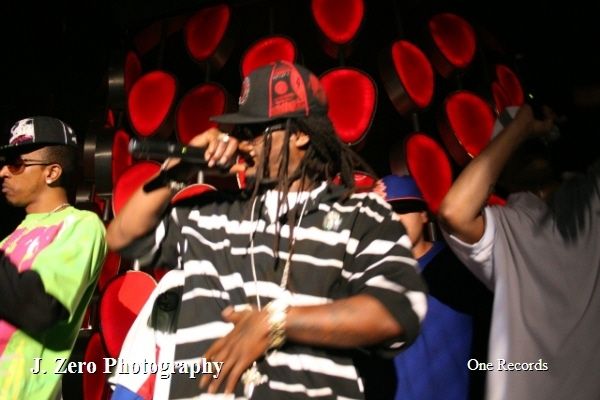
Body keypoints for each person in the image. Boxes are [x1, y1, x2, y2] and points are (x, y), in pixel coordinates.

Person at [106, 60, 427, 399]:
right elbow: (121, 236)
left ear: (301, 134)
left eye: (257, 131)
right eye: (242, 133)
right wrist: (181, 165)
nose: (246, 143)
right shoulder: (209, 215)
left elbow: (399, 309)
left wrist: (276, 323)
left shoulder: (359, 216)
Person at [438, 104, 600, 400]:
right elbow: (453, 212)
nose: (529, 149)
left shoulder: (589, 198)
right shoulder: (505, 226)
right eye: (518, 147)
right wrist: (520, 129)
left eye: (535, 144)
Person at [0, 116, 107, 399]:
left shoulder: (82, 226)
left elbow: (40, 308)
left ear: (52, 172)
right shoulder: (9, 240)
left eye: (16, 163)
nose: (3, 172)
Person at [379, 174, 492, 400]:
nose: (394, 218)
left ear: (423, 214)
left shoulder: (460, 265)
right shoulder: (368, 282)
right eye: (383, 212)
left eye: (403, 208)